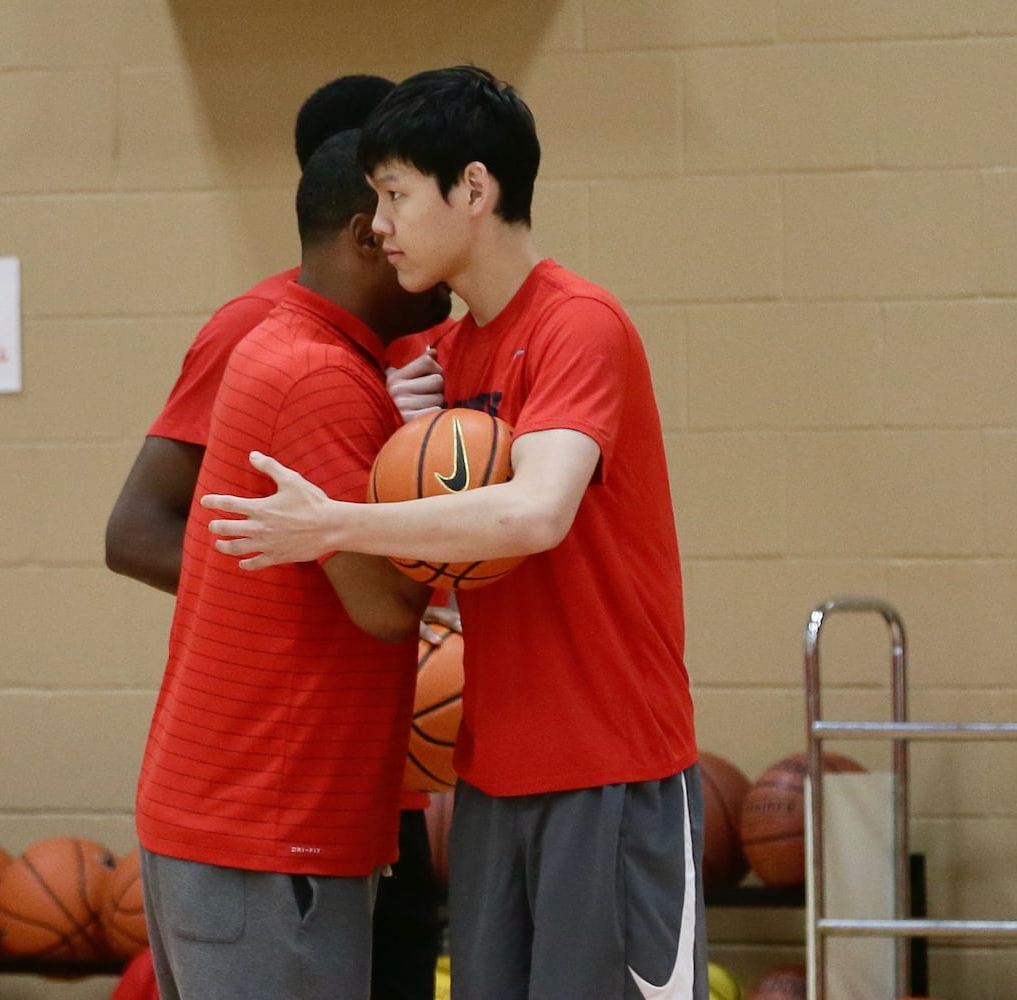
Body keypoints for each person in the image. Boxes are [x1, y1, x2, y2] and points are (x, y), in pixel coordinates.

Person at [200, 66, 706, 1000]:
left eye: (394, 194)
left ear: (472, 190)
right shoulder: (445, 356)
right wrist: (389, 422)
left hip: (609, 769)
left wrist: (336, 521)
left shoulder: (578, 326)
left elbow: (534, 511)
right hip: (488, 780)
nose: (379, 223)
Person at [104, 75, 446, 1000]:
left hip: (251, 817)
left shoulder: (302, 348)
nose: (441, 259)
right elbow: (384, 607)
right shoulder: (315, 372)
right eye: (416, 217)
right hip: (269, 822)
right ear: (362, 234)